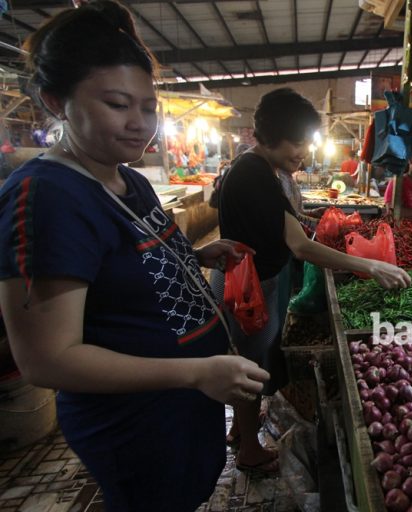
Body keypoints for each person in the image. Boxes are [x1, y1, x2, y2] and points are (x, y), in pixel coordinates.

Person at [0, 2, 270, 511]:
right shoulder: (46, 197)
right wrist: (194, 372)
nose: (138, 124)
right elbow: (45, 359)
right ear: (57, 101)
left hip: (183, 409)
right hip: (135, 423)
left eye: (148, 107)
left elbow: (119, 263)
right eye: (117, 104)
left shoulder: (128, 178)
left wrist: (195, 255)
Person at [214, 87, 410, 474]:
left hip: (254, 280)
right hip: (247, 287)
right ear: (269, 137)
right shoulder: (254, 173)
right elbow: (300, 247)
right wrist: (371, 267)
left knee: (251, 358)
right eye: (297, 143)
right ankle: (250, 450)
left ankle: (241, 428)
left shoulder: (262, 169)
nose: (303, 152)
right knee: (250, 365)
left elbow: (288, 225)